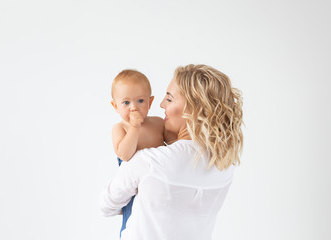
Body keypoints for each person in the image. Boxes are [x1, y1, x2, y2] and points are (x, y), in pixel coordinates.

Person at [100, 64, 243, 240]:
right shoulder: (224, 164)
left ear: (193, 108)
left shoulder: (149, 161)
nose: (160, 104)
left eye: (169, 99)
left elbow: (107, 205)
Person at [110, 69, 167, 236]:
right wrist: (134, 128)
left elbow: (175, 147)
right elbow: (125, 155)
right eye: (126, 103)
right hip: (133, 189)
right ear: (115, 106)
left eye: (140, 101)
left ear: (150, 102)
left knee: (158, 225)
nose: (133, 108)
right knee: (133, 225)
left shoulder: (158, 123)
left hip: (157, 184)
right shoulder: (120, 128)